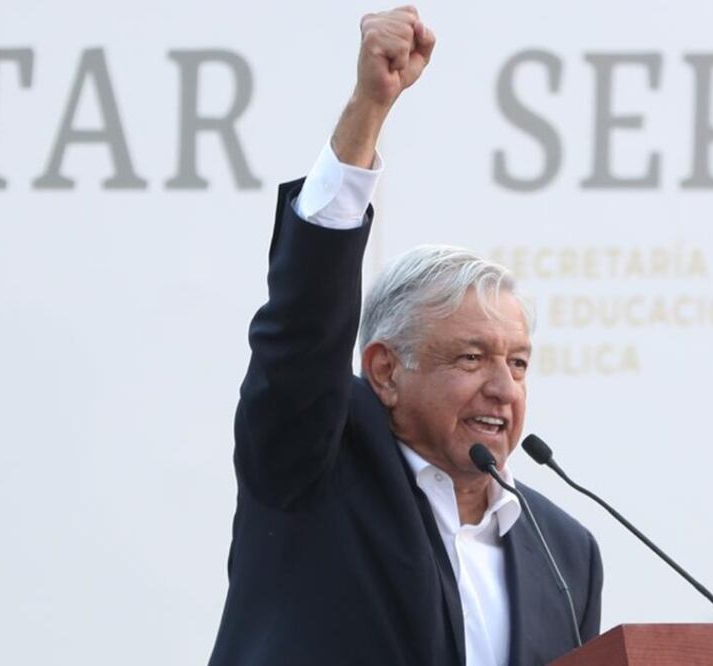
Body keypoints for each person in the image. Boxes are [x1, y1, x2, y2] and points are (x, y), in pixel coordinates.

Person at [208, 7, 602, 665]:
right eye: (471, 357)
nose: (502, 388)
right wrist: (369, 107)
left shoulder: (565, 551)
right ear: (385, 371)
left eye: (519, 362)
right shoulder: (316, 468)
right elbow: (302, 330)